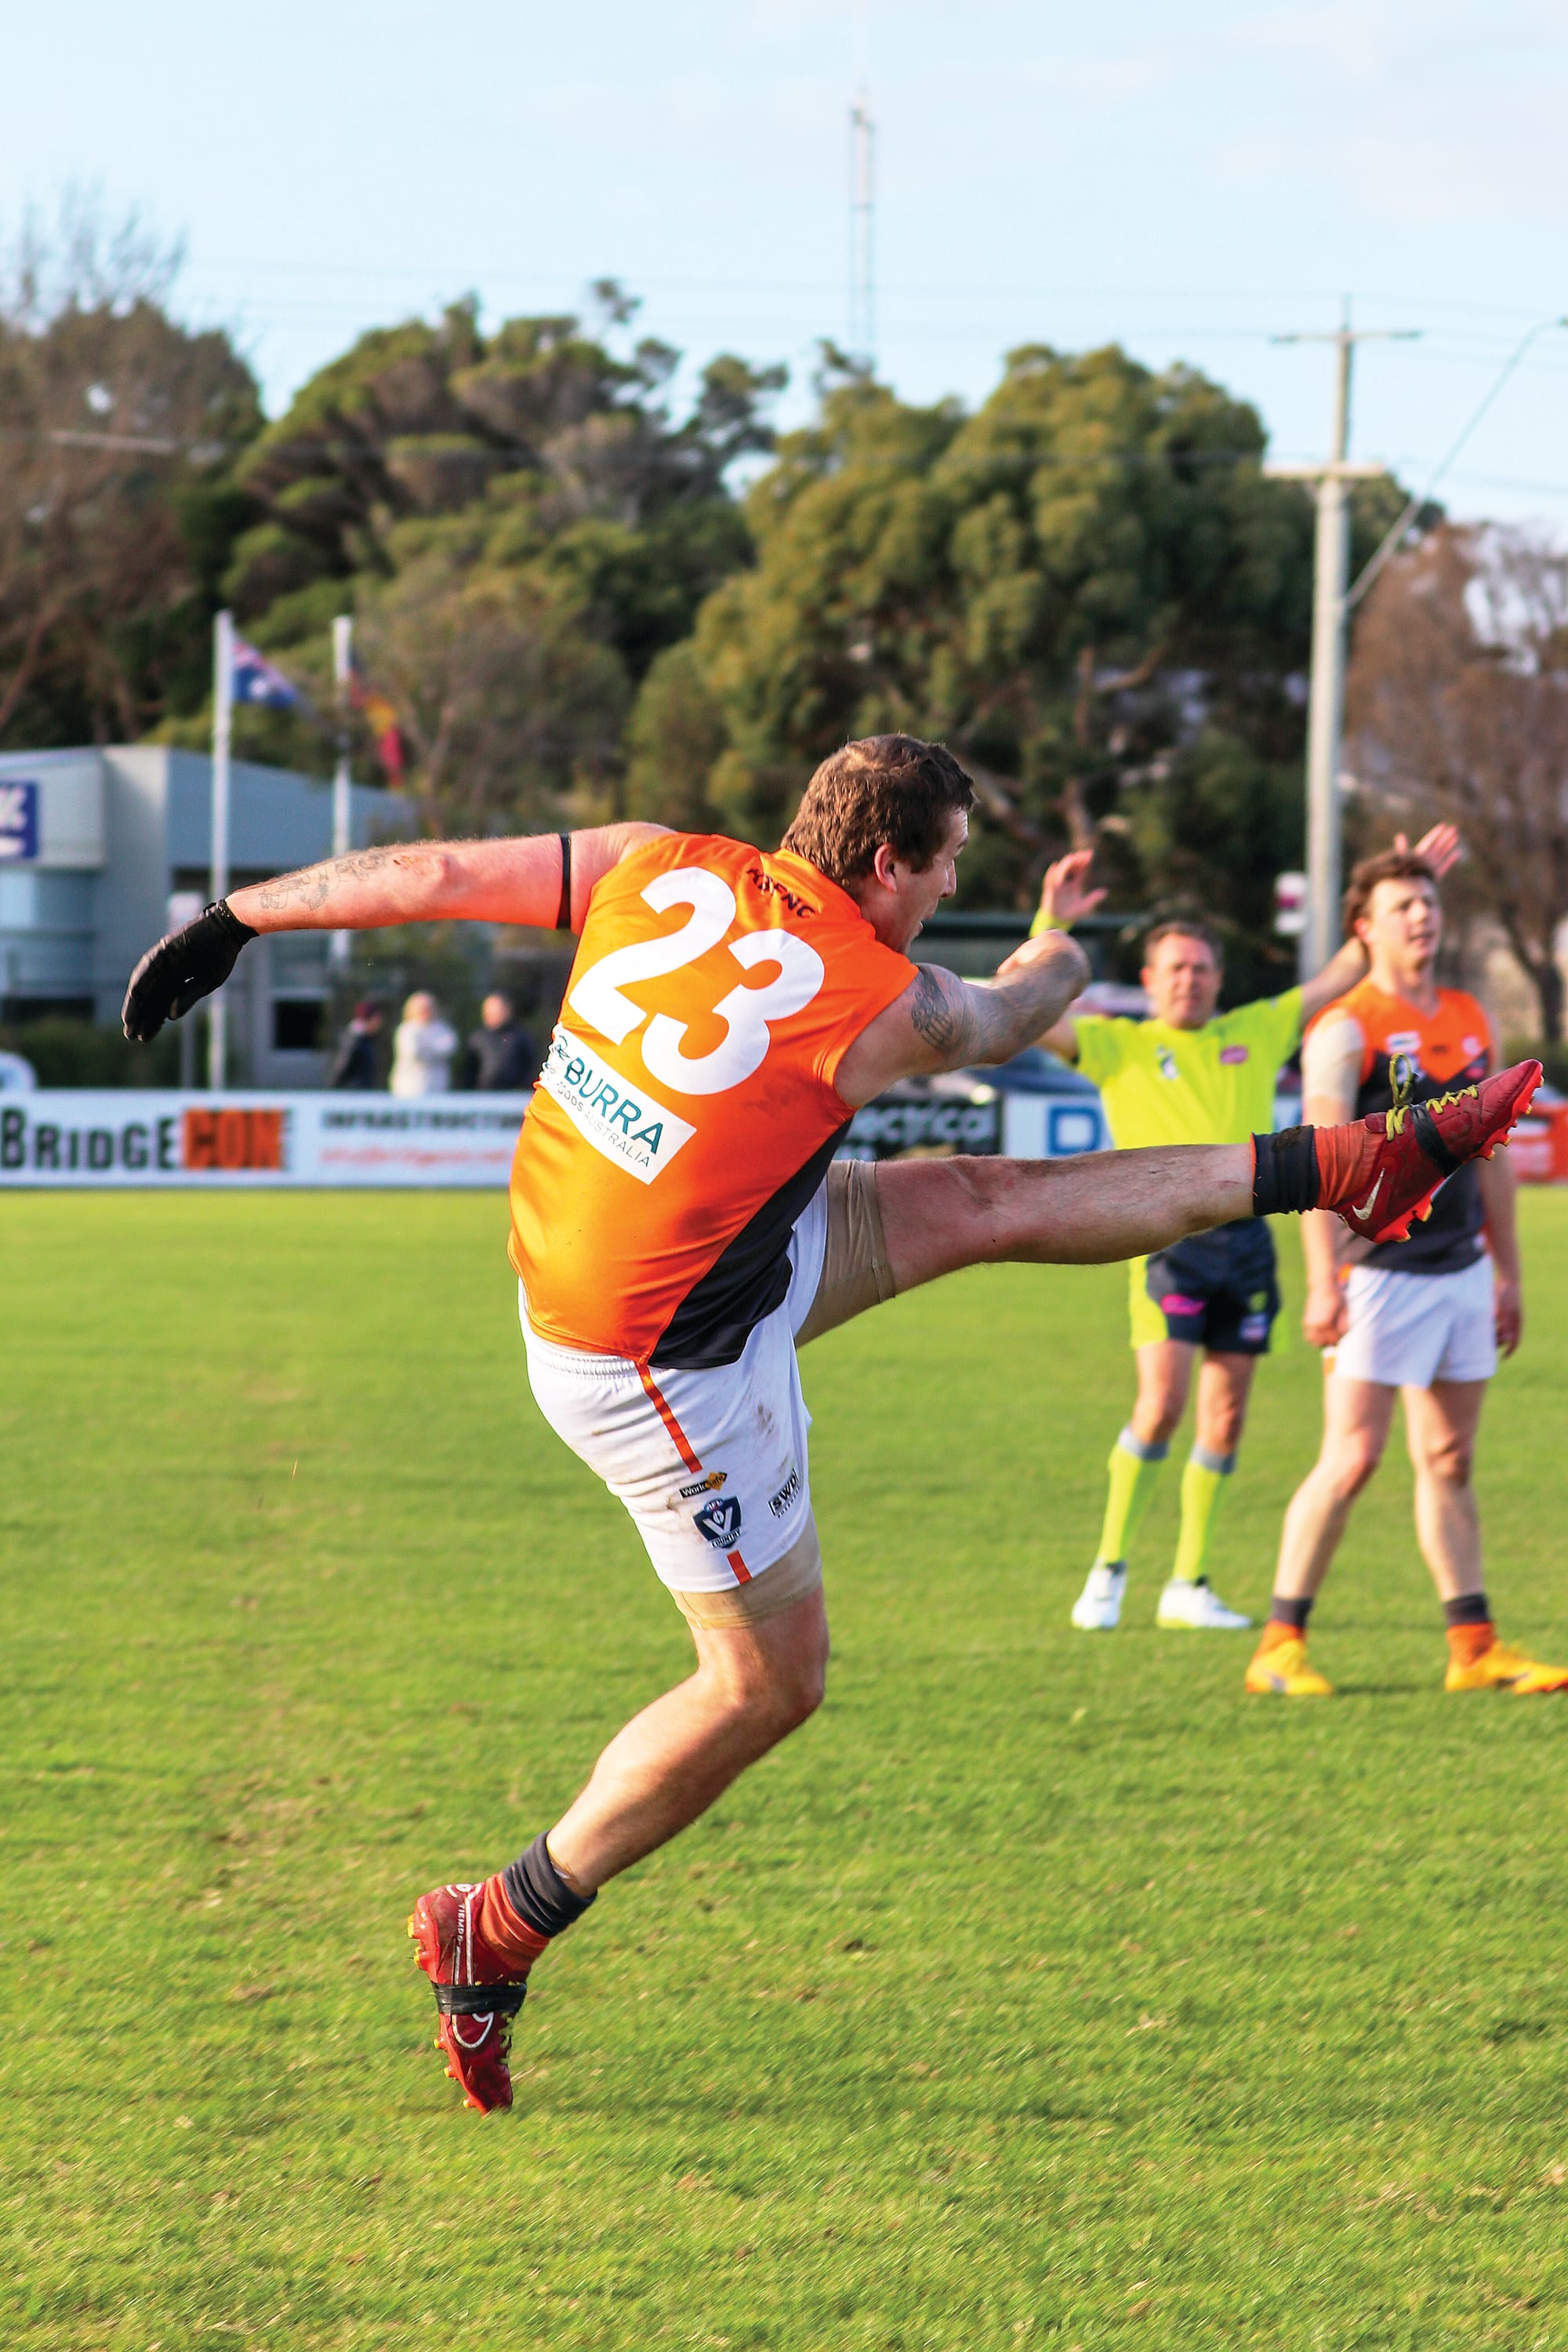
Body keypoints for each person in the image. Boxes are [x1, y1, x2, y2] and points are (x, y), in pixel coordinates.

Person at [122, 735, 1536, 2116]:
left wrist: (234, 916)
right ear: (882, 860)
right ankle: (497, 1925)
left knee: (982, 1203)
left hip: (698, 1262)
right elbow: (1011, 1011)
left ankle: (1352, 1163)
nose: (941, 893)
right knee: (769, 1684)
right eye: (943, 869)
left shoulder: (649, 859)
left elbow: (429, 870)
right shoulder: (886, 1000)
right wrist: (1059, 950)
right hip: (661, 1371)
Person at [1034, 827, 1458, 1636]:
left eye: (1200, 968)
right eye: (1174, 969)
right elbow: (1031, 1010)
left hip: (1246, 1245)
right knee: (1159, 1408)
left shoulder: (1252, 1032)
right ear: (1149, 981)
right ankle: (1109, 1570)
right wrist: (1050, 923)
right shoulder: (1115, 1045)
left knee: (1225, 1420)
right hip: (1162, 1246)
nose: (1188, 981)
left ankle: (1187, 1582)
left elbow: (1341, 971)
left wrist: (1396, 897)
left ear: (1217, 979)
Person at [1247, 847, 1568, 1700]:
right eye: (1401, 906)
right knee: (1351, 1457)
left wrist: (1508, 1276)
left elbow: (1491, 1158)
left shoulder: (1469, 1015)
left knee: (1450, 1457)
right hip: (1372, 1274)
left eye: (1427, 902)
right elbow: (1317, 1162)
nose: (1421, 916)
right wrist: (1321, 1280)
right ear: (1365, 927)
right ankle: (1276, 1646)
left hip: (1460, 1271)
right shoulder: (1342, 1026)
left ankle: (1473, 1648)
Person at [390, 990, 456, 1097]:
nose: (425, 1011)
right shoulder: (406, 1030)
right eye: (422, 1008)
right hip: (409, 1089)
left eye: (428, 1008)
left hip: (437, 1088)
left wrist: (425, 1048)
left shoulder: (442, 1029)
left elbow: (448, 1048)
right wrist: (432, 1049)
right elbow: (412, 1052)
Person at [468, 991, 539, 1091]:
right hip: (484, 1097)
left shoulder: (521, 1037)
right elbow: (470, 1071)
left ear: (508, 1011)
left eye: (497, 1012)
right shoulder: (477, 1039)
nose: (493, 1016)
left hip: (514, 1097)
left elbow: (530, 1065)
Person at [326, 999, 385, 1090]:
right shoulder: (354, 1040)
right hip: (353, 1094)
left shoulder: (366, 1039)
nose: (380, 1022)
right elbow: (341, 1067)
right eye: (377, 1018)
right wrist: (333, 1089)